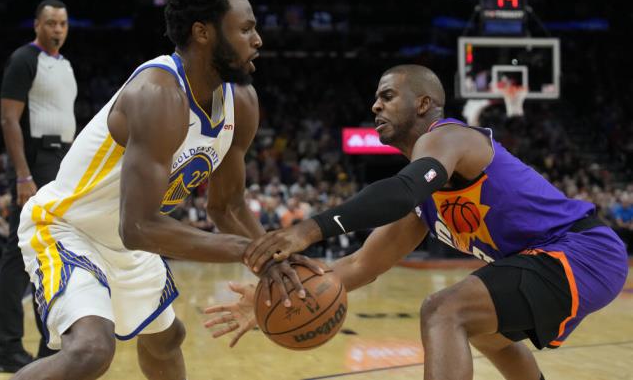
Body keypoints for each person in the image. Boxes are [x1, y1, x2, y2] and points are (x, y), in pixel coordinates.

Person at [206, 65, 628, 380]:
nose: (375, 105)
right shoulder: (426, 202)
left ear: (423, 104)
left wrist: (309, 228)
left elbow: (401, 190)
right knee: (487, 334)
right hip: (555, 258)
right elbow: (358, 267)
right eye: (376, 98)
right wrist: (273, 300)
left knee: (444, 309)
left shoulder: (451, 137)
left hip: (582, 250)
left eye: (387, 96)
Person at [12, 0, 318, 380]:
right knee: (90, 351)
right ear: (203, 32)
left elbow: (226, 206)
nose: (257, 39)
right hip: (68, 227)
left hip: (128, 240)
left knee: (166, 338)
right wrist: (247, 251)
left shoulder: (241, 102)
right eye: (245, 29)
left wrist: (273, 255)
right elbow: (137, 227)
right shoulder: (158, 94)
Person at [0, 0, 76, 372]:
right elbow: (10, 121)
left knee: (50, 253)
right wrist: (24, 175)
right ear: (36, 25)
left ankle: (49, 345)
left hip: (60, 162)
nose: (57, 29)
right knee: (18, 253)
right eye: (50, 23)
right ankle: (9, 348)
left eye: (62, 23)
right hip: (35, 160)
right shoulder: (24, 59)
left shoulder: (64, 65)